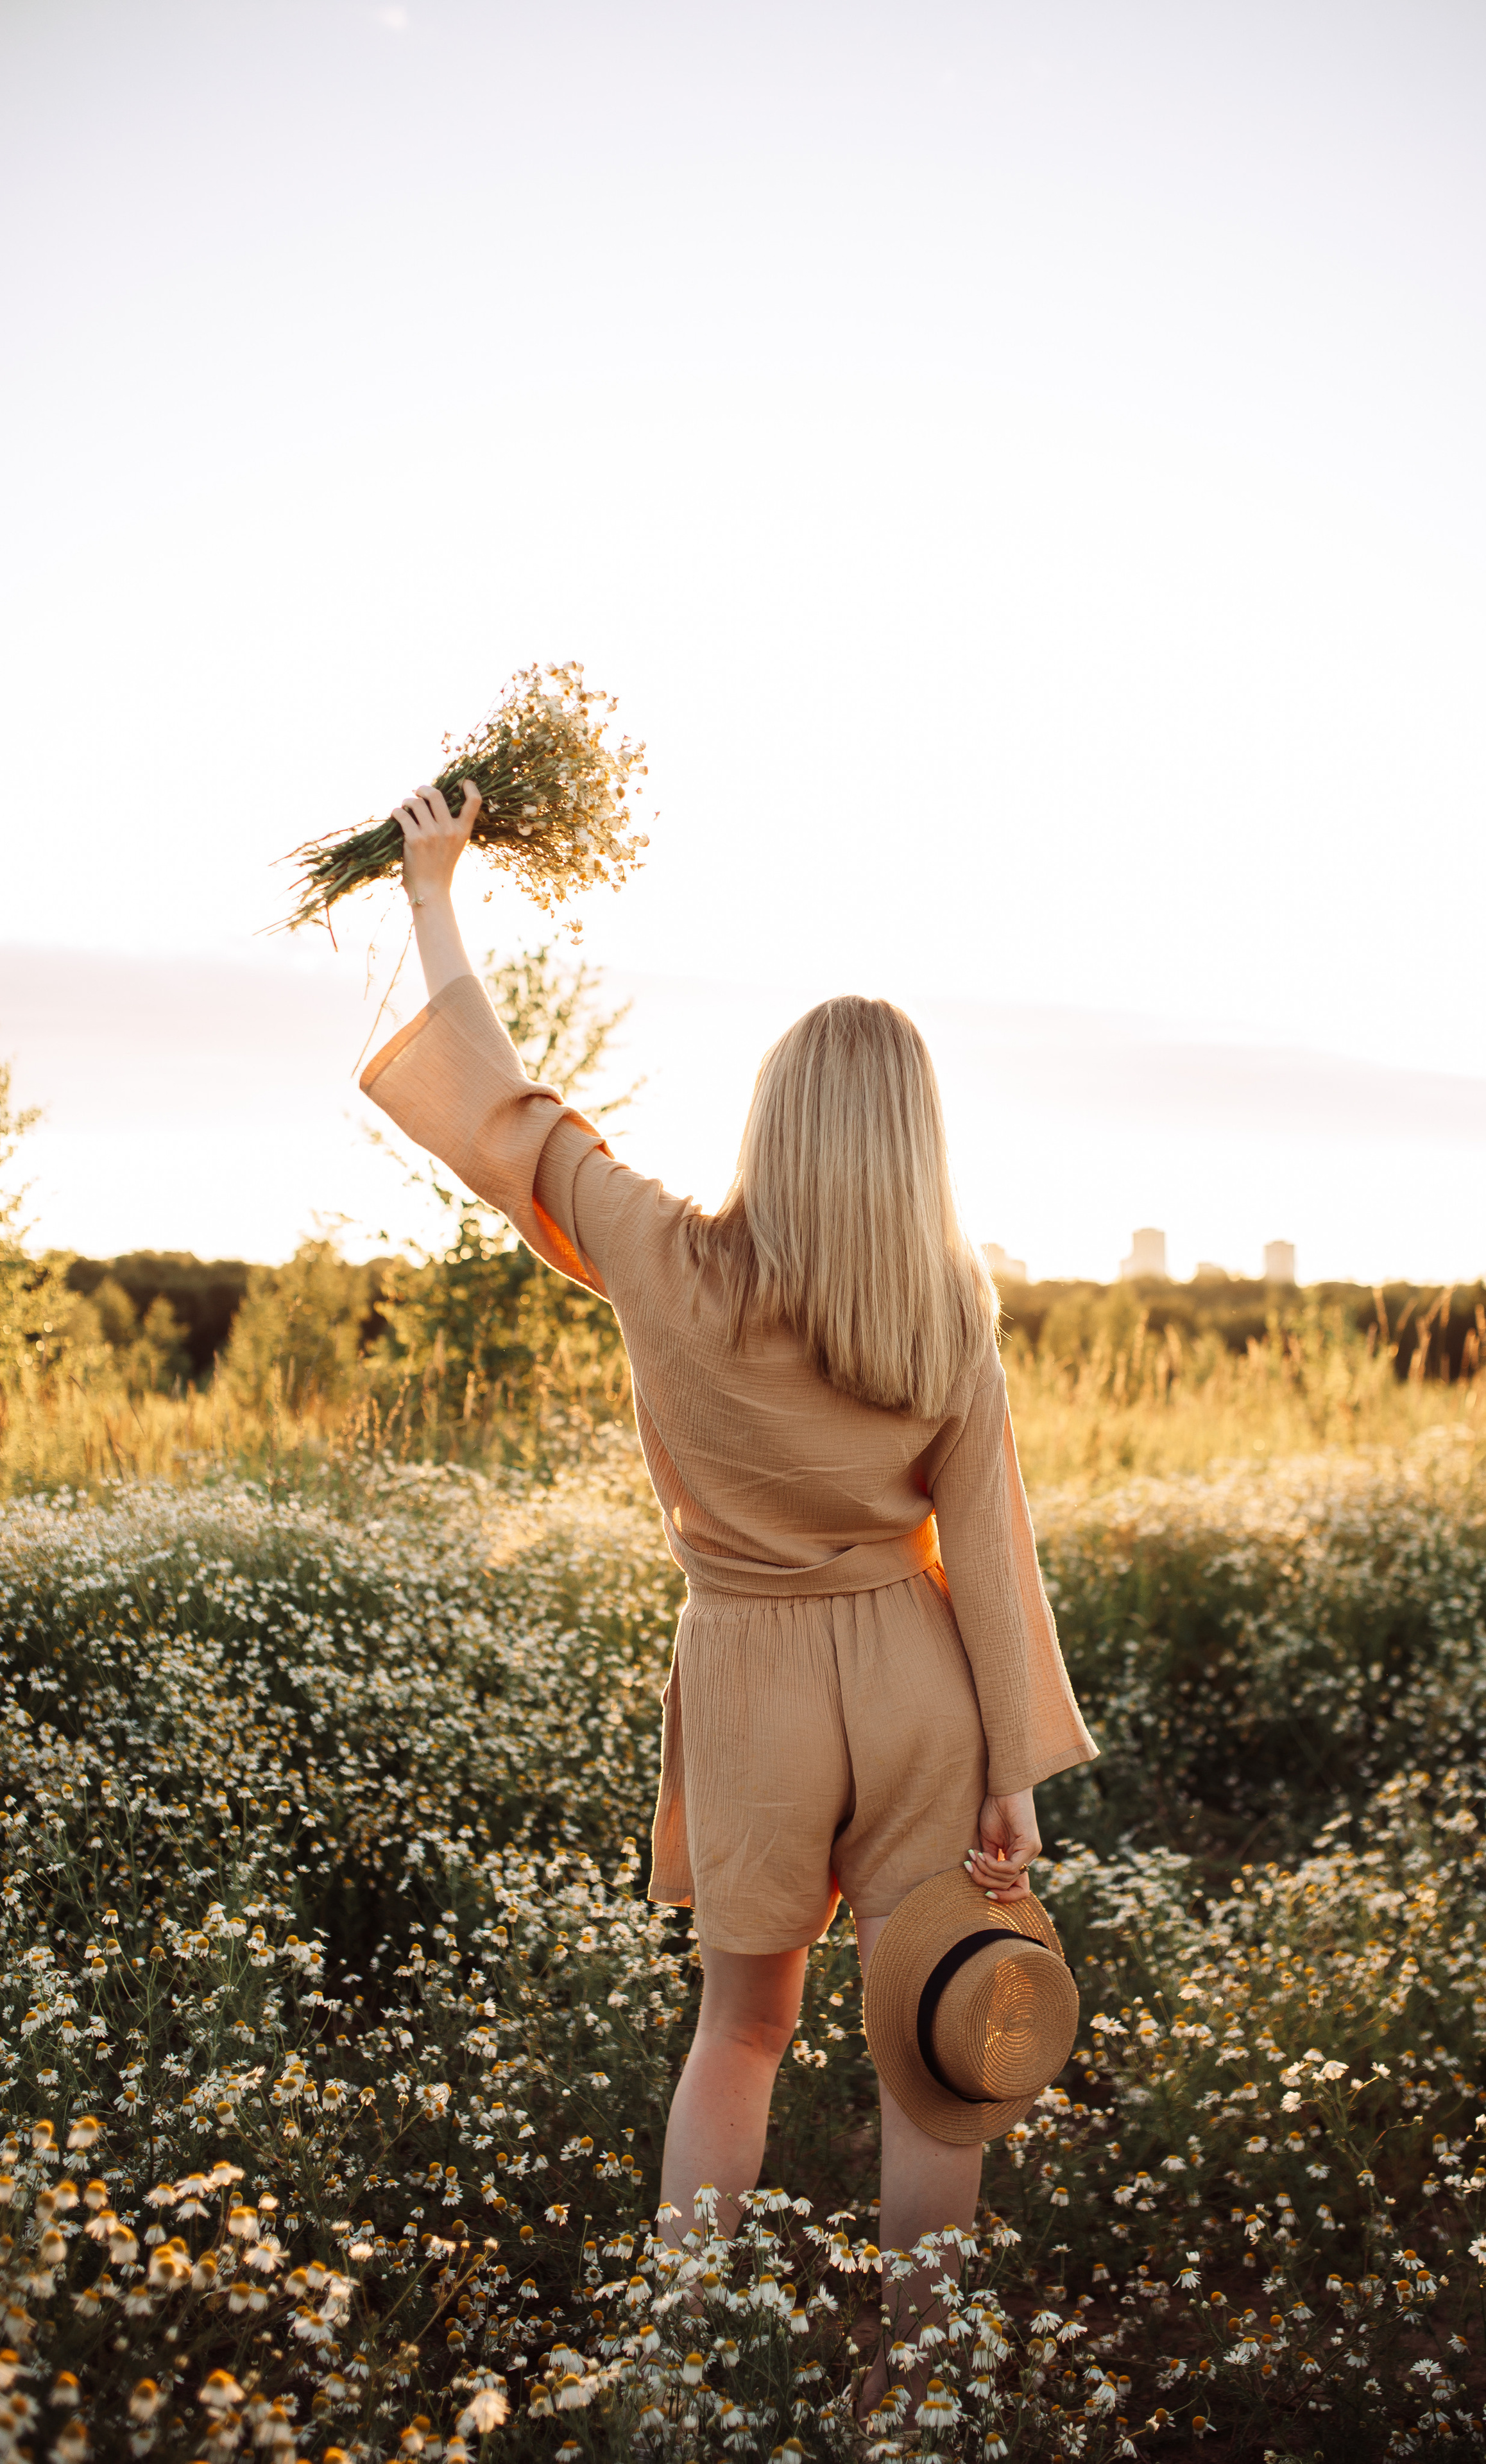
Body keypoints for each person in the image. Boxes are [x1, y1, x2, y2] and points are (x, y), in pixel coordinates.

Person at [362, 782, 1097, 2409]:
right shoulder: (945, 1310)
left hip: (756, 1682)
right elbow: (988, 1541)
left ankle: (683, 2361)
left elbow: (506, 1105)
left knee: (742, 2035)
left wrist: (431, 893)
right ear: (917, 1143)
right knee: (930, 2056)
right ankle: (911, 2387)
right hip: (916, 1681)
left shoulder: (664, 1254)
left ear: (770, 1122)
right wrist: (1006, 1772)